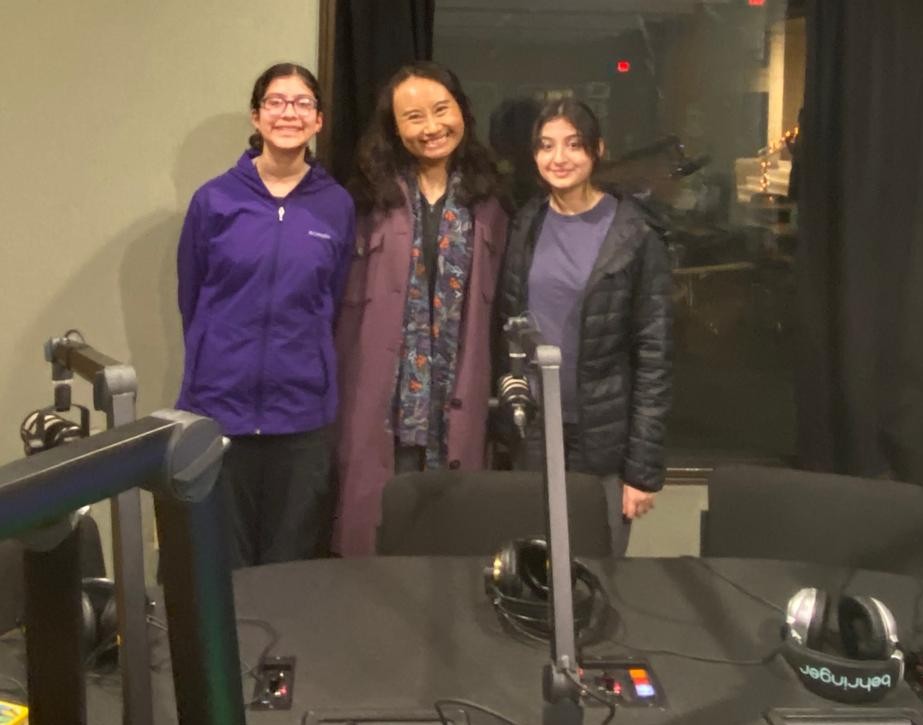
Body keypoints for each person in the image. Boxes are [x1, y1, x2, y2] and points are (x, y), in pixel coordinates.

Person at [176, 63, 355, 567]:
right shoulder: (214, 200)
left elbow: (332, 299)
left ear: (318, 120)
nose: (288, 113)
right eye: (276, 102)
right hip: (220, 409)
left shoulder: (336, 206)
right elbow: (192, 297)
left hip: (300, 416)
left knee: (289, 568)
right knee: (222, 566)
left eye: (302, 103)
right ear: (256, 116)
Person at [333, 61, 509, 556]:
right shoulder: (365, 201)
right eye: (413, 117)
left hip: (457, 400)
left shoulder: (490, 202)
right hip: (379, 400)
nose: (431, 127)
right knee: (374, 539)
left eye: (441, 110)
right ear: (393, 128)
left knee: (451, 544)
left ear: (462, 112)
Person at [499, 98, 672, 556]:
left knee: (598, 567)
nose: (558, 158)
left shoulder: (634, 233)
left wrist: (642, 471)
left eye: (573, 144)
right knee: (534, 564)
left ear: (598, 150)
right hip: (535, 432)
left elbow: (654, 356)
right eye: (546, 145)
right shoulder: (526, 223)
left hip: (602, 438)